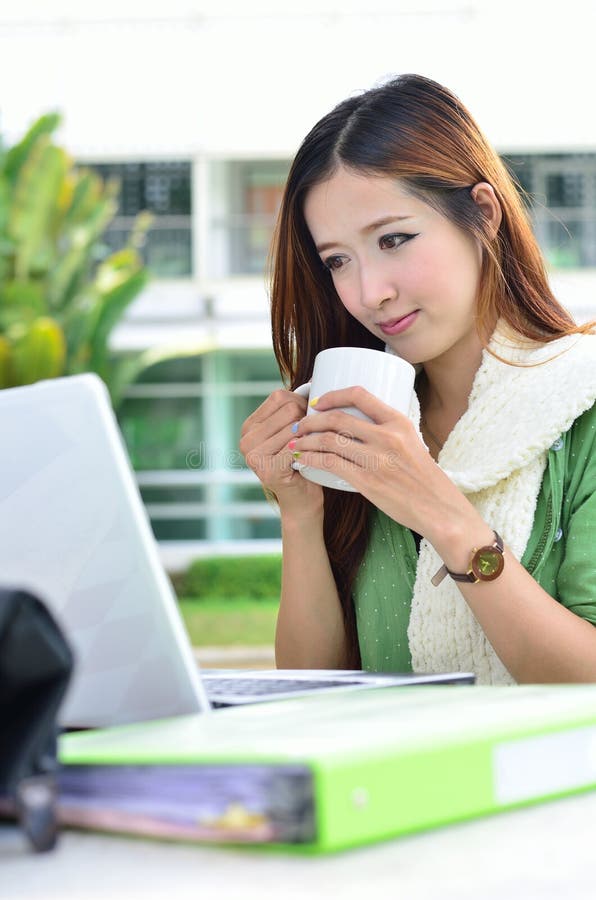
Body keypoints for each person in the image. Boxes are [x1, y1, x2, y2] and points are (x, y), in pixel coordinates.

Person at [239, 74, 596, 684]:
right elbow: (311, 689)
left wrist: (446, 518)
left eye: (394, 239)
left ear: (482, 214)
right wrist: (299, 512)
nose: (368, 292)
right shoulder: (363, 427)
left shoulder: (580, 402)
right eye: (337, 261)